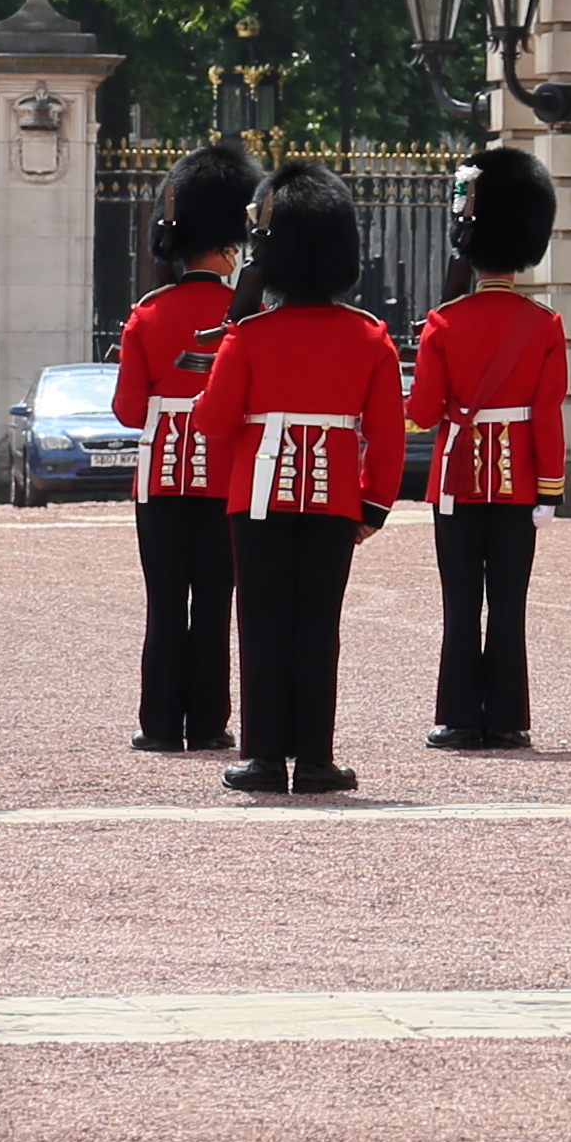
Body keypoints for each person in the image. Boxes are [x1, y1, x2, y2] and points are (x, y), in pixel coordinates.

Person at [194, 164, 399, 796]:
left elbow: (211, 421)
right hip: (336, 498)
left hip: (256, 498)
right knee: (317, 629)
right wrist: (371, 506)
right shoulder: (370, 338)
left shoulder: (249, 338)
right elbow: (387, 436)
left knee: (261, 624)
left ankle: (260, 757)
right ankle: (313, 758)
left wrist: (234, 333)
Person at [406, 146, 565, 752]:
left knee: (459, 603)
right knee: (508, 605)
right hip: (520, 480)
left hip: (456, 481)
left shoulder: (444, 324)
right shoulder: (544, 324)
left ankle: (457, 719)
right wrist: (550, 487)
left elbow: (423, 415)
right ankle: (506, 718)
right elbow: (547, 415)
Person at [111, 140, 254, 753]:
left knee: (165, 600)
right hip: (225, 475)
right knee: (216, 598)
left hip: (162, 476)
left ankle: (161, 723)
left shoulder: (148, 313)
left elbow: (126, 410)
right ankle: (209, 722)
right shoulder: (245, 316)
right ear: (226, 243)